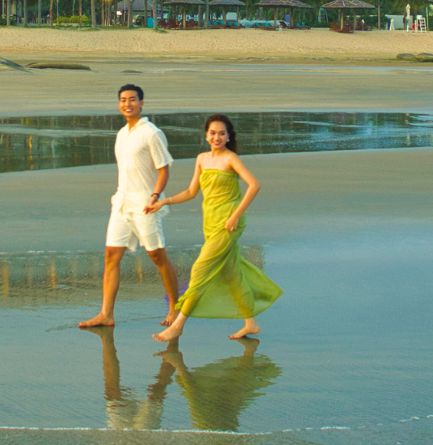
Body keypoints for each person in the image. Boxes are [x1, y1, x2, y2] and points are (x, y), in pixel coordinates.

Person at [150, 113, 281, 342]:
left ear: (229, 137)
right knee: (232, 274)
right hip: (210, 223)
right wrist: (163, 201)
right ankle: (251, 322)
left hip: (229, 224)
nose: (217, 137)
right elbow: (191, 192)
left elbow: (254, 185)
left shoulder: (231, 158)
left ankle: (179, 324)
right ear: (206, 135)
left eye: (222, 133)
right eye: (213, 133)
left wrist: (236, 215)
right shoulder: (201, 158)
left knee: (199, 270)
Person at [78, 84, 181, 329]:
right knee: (111, 255)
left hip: (146, 202)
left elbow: (163, 169)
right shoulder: (122, 133)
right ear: (119, 104)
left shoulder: (151, 133)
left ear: (141, 103)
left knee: (156, 255)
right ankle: (106, 314)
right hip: (122, 202)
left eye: (132, 99)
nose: (127, 104)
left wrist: (156, 195)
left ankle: (175, 309)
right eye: (123, 100)